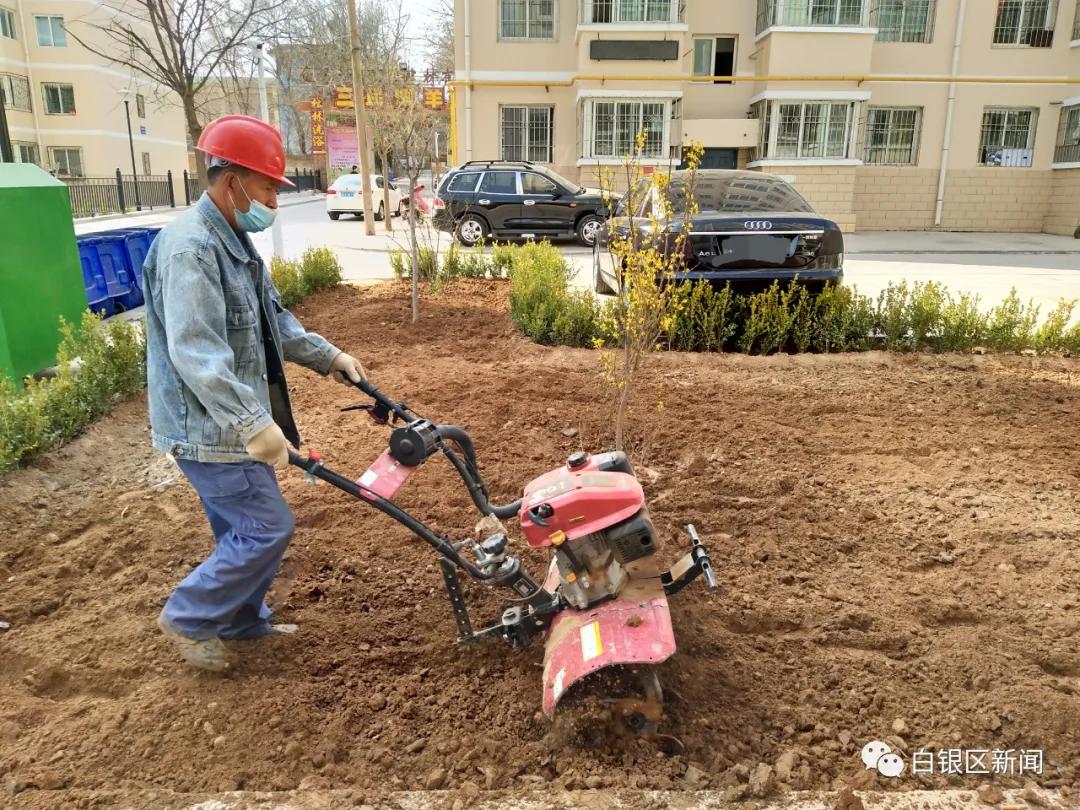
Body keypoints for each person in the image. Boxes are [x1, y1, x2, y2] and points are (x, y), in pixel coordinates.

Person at [142, 114, 367, 672]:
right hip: (208, 428)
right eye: (268, 186)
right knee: (268, 526)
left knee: (241, 527)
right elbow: (196, 353)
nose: (272, 199)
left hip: (233, 422)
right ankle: (191, 615)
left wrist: (328, 357)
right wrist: (252, 423)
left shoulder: (235, 241)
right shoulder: (190, 251)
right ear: (232, 181)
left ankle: (241, 621)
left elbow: (274, 320)